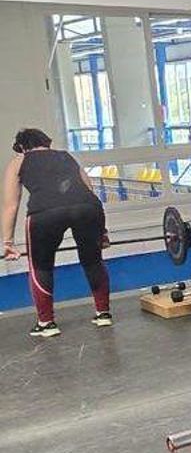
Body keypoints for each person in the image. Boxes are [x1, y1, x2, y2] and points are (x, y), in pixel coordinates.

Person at [2, 128, 114, 337]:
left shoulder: (19, 161)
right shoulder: (65, 156)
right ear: (47, 142)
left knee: (40, 266)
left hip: (45, 214)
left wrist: (7, 242)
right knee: (93, 260)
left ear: (22, 147)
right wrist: (102, 232)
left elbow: (10, 205)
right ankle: (103, 313)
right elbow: (88, 189)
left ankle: (46, 323)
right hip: (88, 208)